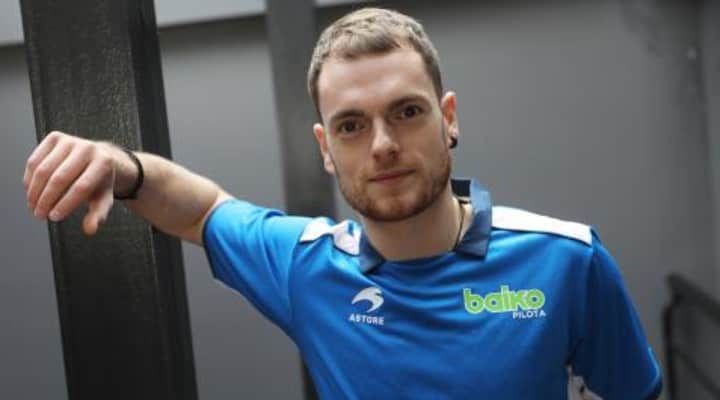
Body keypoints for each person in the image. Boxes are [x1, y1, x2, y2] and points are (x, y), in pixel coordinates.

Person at [22, 7, 661, 400]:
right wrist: (122, 166)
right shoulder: (307, 267)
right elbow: (201, 210)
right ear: (326, 148)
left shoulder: (566, 259)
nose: (382, 145)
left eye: (406, 112)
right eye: (352, 125)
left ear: (448, 119)